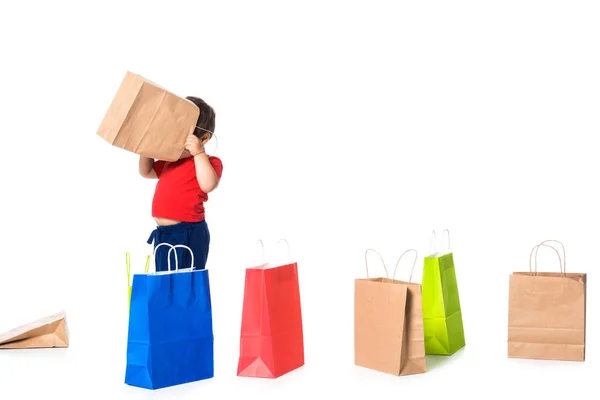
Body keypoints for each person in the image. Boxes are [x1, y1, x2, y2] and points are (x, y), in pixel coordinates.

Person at [138, 96, 223, 272]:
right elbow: (146, 172)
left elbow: (208, 184)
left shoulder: (208, 162)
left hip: (189, 233)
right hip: (163, 235)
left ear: (204, 139)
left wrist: (198, 153)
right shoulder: (171, 159)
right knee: (165, 282)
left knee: (187, 283)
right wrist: (146, 147)